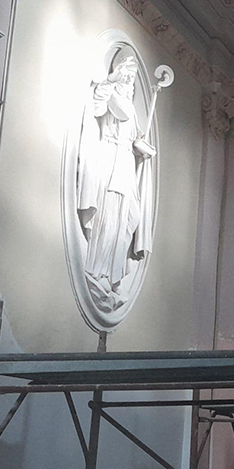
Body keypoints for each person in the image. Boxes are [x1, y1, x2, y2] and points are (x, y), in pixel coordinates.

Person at [76, 55, 154, 311]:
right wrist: (110, 81)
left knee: (129, 217)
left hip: (125, 163)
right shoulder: (110, 95)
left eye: (132, 77)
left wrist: (142, 149)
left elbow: (134, 138)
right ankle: (99, 270)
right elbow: (97, 106)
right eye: (126, 75)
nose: (129, 81)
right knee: (110, 217)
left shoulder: (129, 107)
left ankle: (115, 272)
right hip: (110, 161)